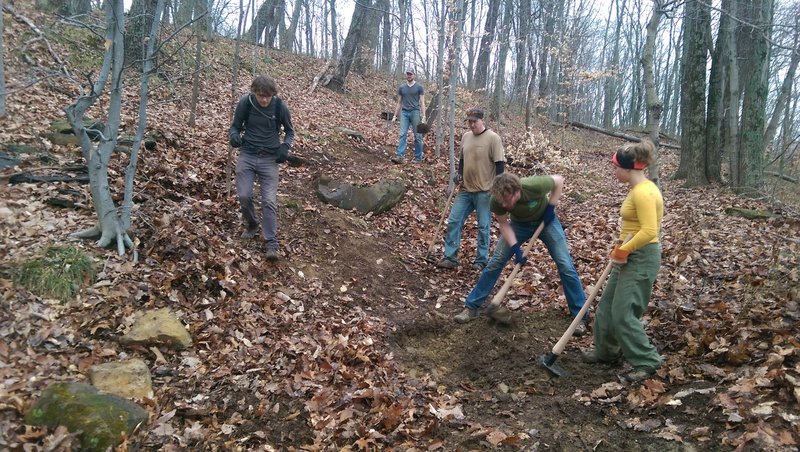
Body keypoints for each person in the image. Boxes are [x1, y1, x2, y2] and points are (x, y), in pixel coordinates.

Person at [454, 172, 588, 337]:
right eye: (501, 201)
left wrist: (551, 207)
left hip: (546, 222)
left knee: (565, 264)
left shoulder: (533, 185)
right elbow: (504, 224)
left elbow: (559, 180)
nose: (503, 204)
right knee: (495, 262)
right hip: (519, 225)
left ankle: (580, 317)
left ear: (517, 192)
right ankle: (471, 307)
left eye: (507, 200)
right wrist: (516, 248)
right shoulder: (496, 200)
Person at [582, 139, 663, 383]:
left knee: (624, 312)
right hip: (628, 252)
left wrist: (625, 249)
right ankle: (606, 351)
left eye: (616, 167)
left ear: (629, 169)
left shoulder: (645, 193)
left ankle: (647, 360)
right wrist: (623, 248)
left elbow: (649, 231)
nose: (614, 171)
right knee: (606, 306)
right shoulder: (636, 190)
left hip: (641, 256)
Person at [228, 75, 295, 261]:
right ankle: (251, 223)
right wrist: (234, 137)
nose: (264, 99)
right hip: (247, 155)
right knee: (244, 195)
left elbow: (290, 132)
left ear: (273, 94)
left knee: (269, 201)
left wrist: (285, 147)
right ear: (254, 93)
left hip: (270, 159)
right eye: (260, 95)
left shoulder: (280, 106)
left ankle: (271, 242)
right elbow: (234, 127)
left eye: (267, 96)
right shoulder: (246, 103)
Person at [436, 108, 505, 271]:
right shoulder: (466, 137)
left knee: (483, 226)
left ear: (482, 120)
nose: (472, 124)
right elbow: (462, 159)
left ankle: (481, 260)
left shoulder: (493, 138)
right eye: (469, 121)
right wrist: (459, 174)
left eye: (475, 121)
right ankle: (450, 257)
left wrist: (498, 187)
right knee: (454, 220)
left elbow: (500, 165)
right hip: (465, 189)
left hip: (485, 191)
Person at [390, 69, 426, 164]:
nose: (409, 76)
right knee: (402, 135)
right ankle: (400, 156)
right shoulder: (402, 88)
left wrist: (424, 115)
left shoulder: (419, 87)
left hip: (415, 112)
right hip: (404, 113)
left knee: (418, 136)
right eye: (408, 74)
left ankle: (418, 158)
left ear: (414, 75)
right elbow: (399, 102)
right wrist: (395, 115)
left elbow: (422, 102)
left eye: (411, 74)